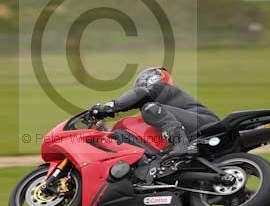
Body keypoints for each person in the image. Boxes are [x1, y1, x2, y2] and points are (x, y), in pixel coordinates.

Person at [90, 67, 219, 157]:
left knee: (149, 108)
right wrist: (105, 132)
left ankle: (181, 144)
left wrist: (109, 108)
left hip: (206, 123)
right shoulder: (162, 112)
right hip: (196, 131)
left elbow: (141, 94)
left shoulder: (163, 89)